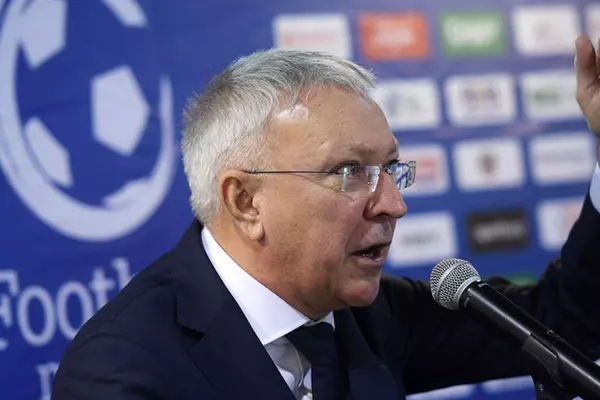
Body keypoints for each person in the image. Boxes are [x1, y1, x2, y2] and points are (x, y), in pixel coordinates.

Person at [52, 34, 600, 400]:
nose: (394, 204)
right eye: (349, 172)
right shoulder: (124, 369)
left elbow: (560, 322)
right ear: (246, 202)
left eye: (391, 169)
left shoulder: (372, 312)